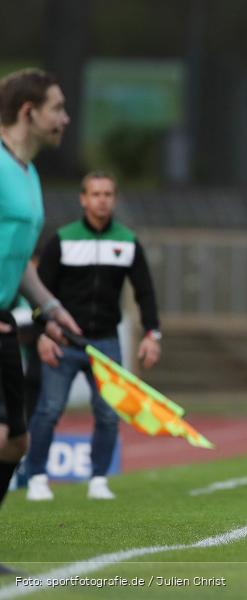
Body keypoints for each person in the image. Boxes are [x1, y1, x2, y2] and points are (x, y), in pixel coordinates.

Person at [25, 171, 162, 501]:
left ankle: (99, 478)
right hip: (64, 340)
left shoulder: (127, 241)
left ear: (114, 199)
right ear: (83, 199)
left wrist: (151, 334)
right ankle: (37, 477)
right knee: (49, 409)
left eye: (108, 194)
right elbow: (38, 292)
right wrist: (43, 334)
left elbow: (145, 292)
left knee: (106, 412)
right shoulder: (63, 239)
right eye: (95, 194)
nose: (102, 200)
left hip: (106, 341)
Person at [0, 68, 81, 512]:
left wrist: (50, 307)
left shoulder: (27, 172)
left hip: (7, 319)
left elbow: (19, 259)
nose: (66, 118)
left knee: (15, 442)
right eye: (58, 108)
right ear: (28, 112)